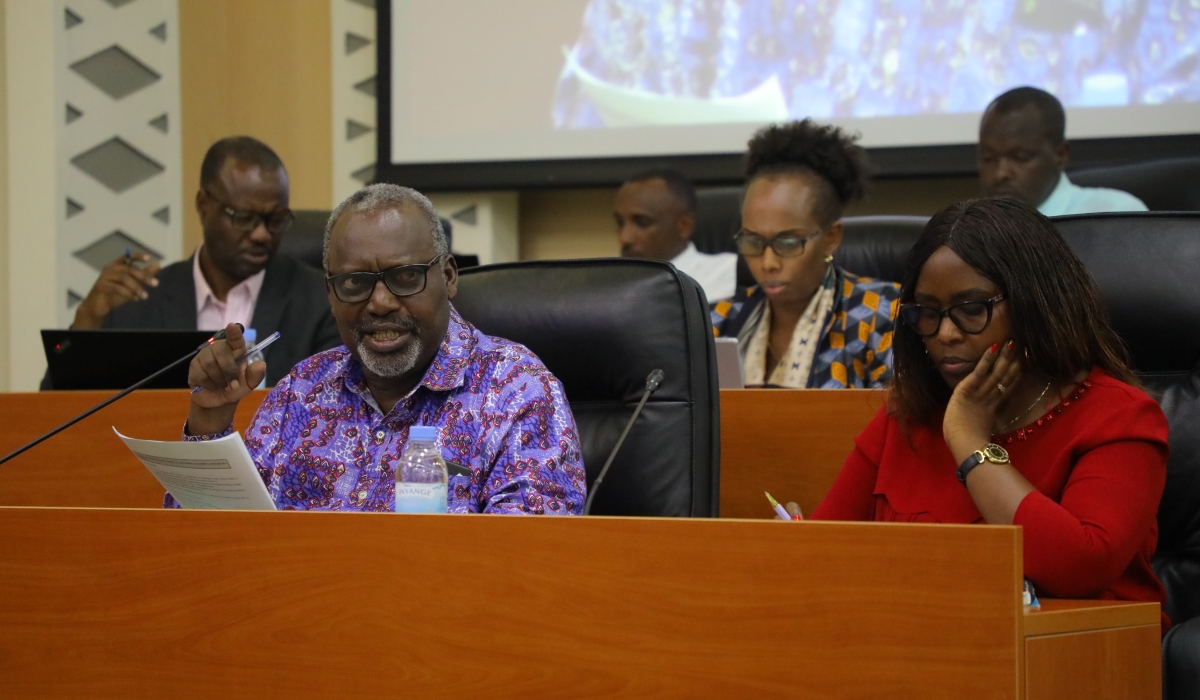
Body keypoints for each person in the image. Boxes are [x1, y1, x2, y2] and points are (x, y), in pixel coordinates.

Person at [812, 198, 1169, 629]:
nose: (946, 333)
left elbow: (1079, 568)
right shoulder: (906, 417)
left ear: (1035, 304)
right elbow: (819, 556)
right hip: (918, 644)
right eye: (927, 314)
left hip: (1079, 654)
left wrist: (970, 441)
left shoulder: (1119, 417)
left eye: (971, 310)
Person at [180, 183, 586, 514]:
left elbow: (526, 560)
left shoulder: (517, 390)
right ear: (331, 295)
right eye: (354, 283)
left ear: (448, 277)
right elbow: (206, 546)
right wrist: (209, 420)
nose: (379, 303)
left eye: (405, 277)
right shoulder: (301, 391)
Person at [70, 136, 340, 386]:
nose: (261, 234)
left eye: (276, 219)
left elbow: (335, 407)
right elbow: (64, 406)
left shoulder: (322, 302)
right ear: (203, 206)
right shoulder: (139, 304)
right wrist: (88, 319)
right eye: (244, 217)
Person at [713, 120, 899, 389]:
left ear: (831, 238)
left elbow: (897, 413)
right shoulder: (715, 323)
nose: (768, 263)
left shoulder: (883, 314)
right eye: (753, 242)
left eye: (788, 243)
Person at [978, 87, 1148, 216]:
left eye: (1020, 157)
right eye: (988, 158)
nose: (1000, 173)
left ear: (1061, 155)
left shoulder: (1113, 214)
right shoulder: (972, 231)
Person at [614, 168, 738, 303]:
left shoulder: (728, 273)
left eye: (642, 223)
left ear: (684, 226)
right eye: (620, 223)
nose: (624, 238)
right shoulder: (610, 284)